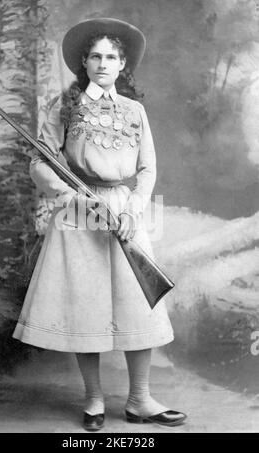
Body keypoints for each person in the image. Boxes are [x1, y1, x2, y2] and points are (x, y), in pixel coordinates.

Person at [13, 18, 187, 431]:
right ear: (85, 63)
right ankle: (93, 400)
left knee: (137, 303)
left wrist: (132, 211)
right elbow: (39, 161)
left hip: (125, 210)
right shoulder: (64, 107)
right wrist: (72, 196)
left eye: (112, 57)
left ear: (122, 63)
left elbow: (147, 169)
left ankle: (140, 400)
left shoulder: (134, 111)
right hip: (78, 210)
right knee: (84, 304)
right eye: (96, 56)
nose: (103, 64)